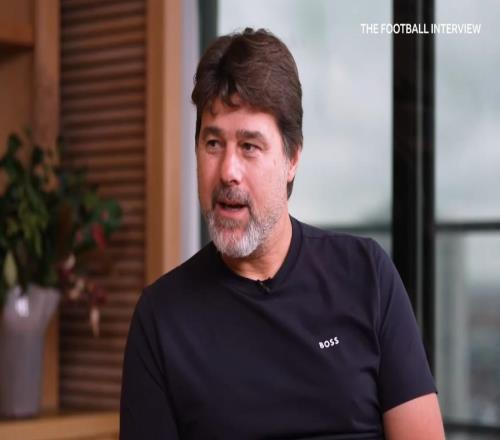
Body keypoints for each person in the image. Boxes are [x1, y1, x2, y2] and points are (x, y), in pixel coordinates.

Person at [120, 28, 445, 440]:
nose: (228, 171)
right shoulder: (161, 318)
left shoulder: (368, 275)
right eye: (213, 143)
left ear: (292, 159)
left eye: (250, 146)